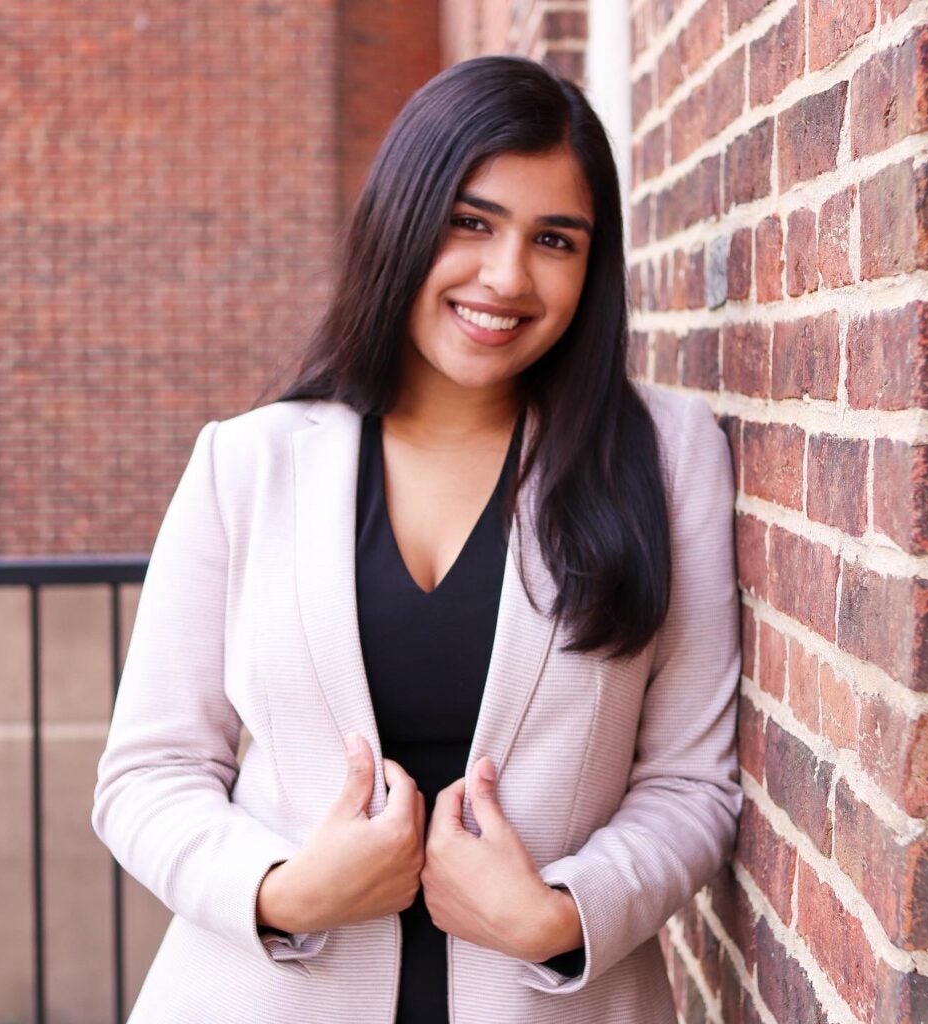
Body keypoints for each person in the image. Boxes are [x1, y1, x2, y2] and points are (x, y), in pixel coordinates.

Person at [92, 55, 741, 1024]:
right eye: (470, 222)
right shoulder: (248, 462)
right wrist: (284, 890)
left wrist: (559, 913)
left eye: (554, 239)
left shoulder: (665, 452)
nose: (507, 276)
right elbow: (148, 772)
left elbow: (692, 781)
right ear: (401, 218)